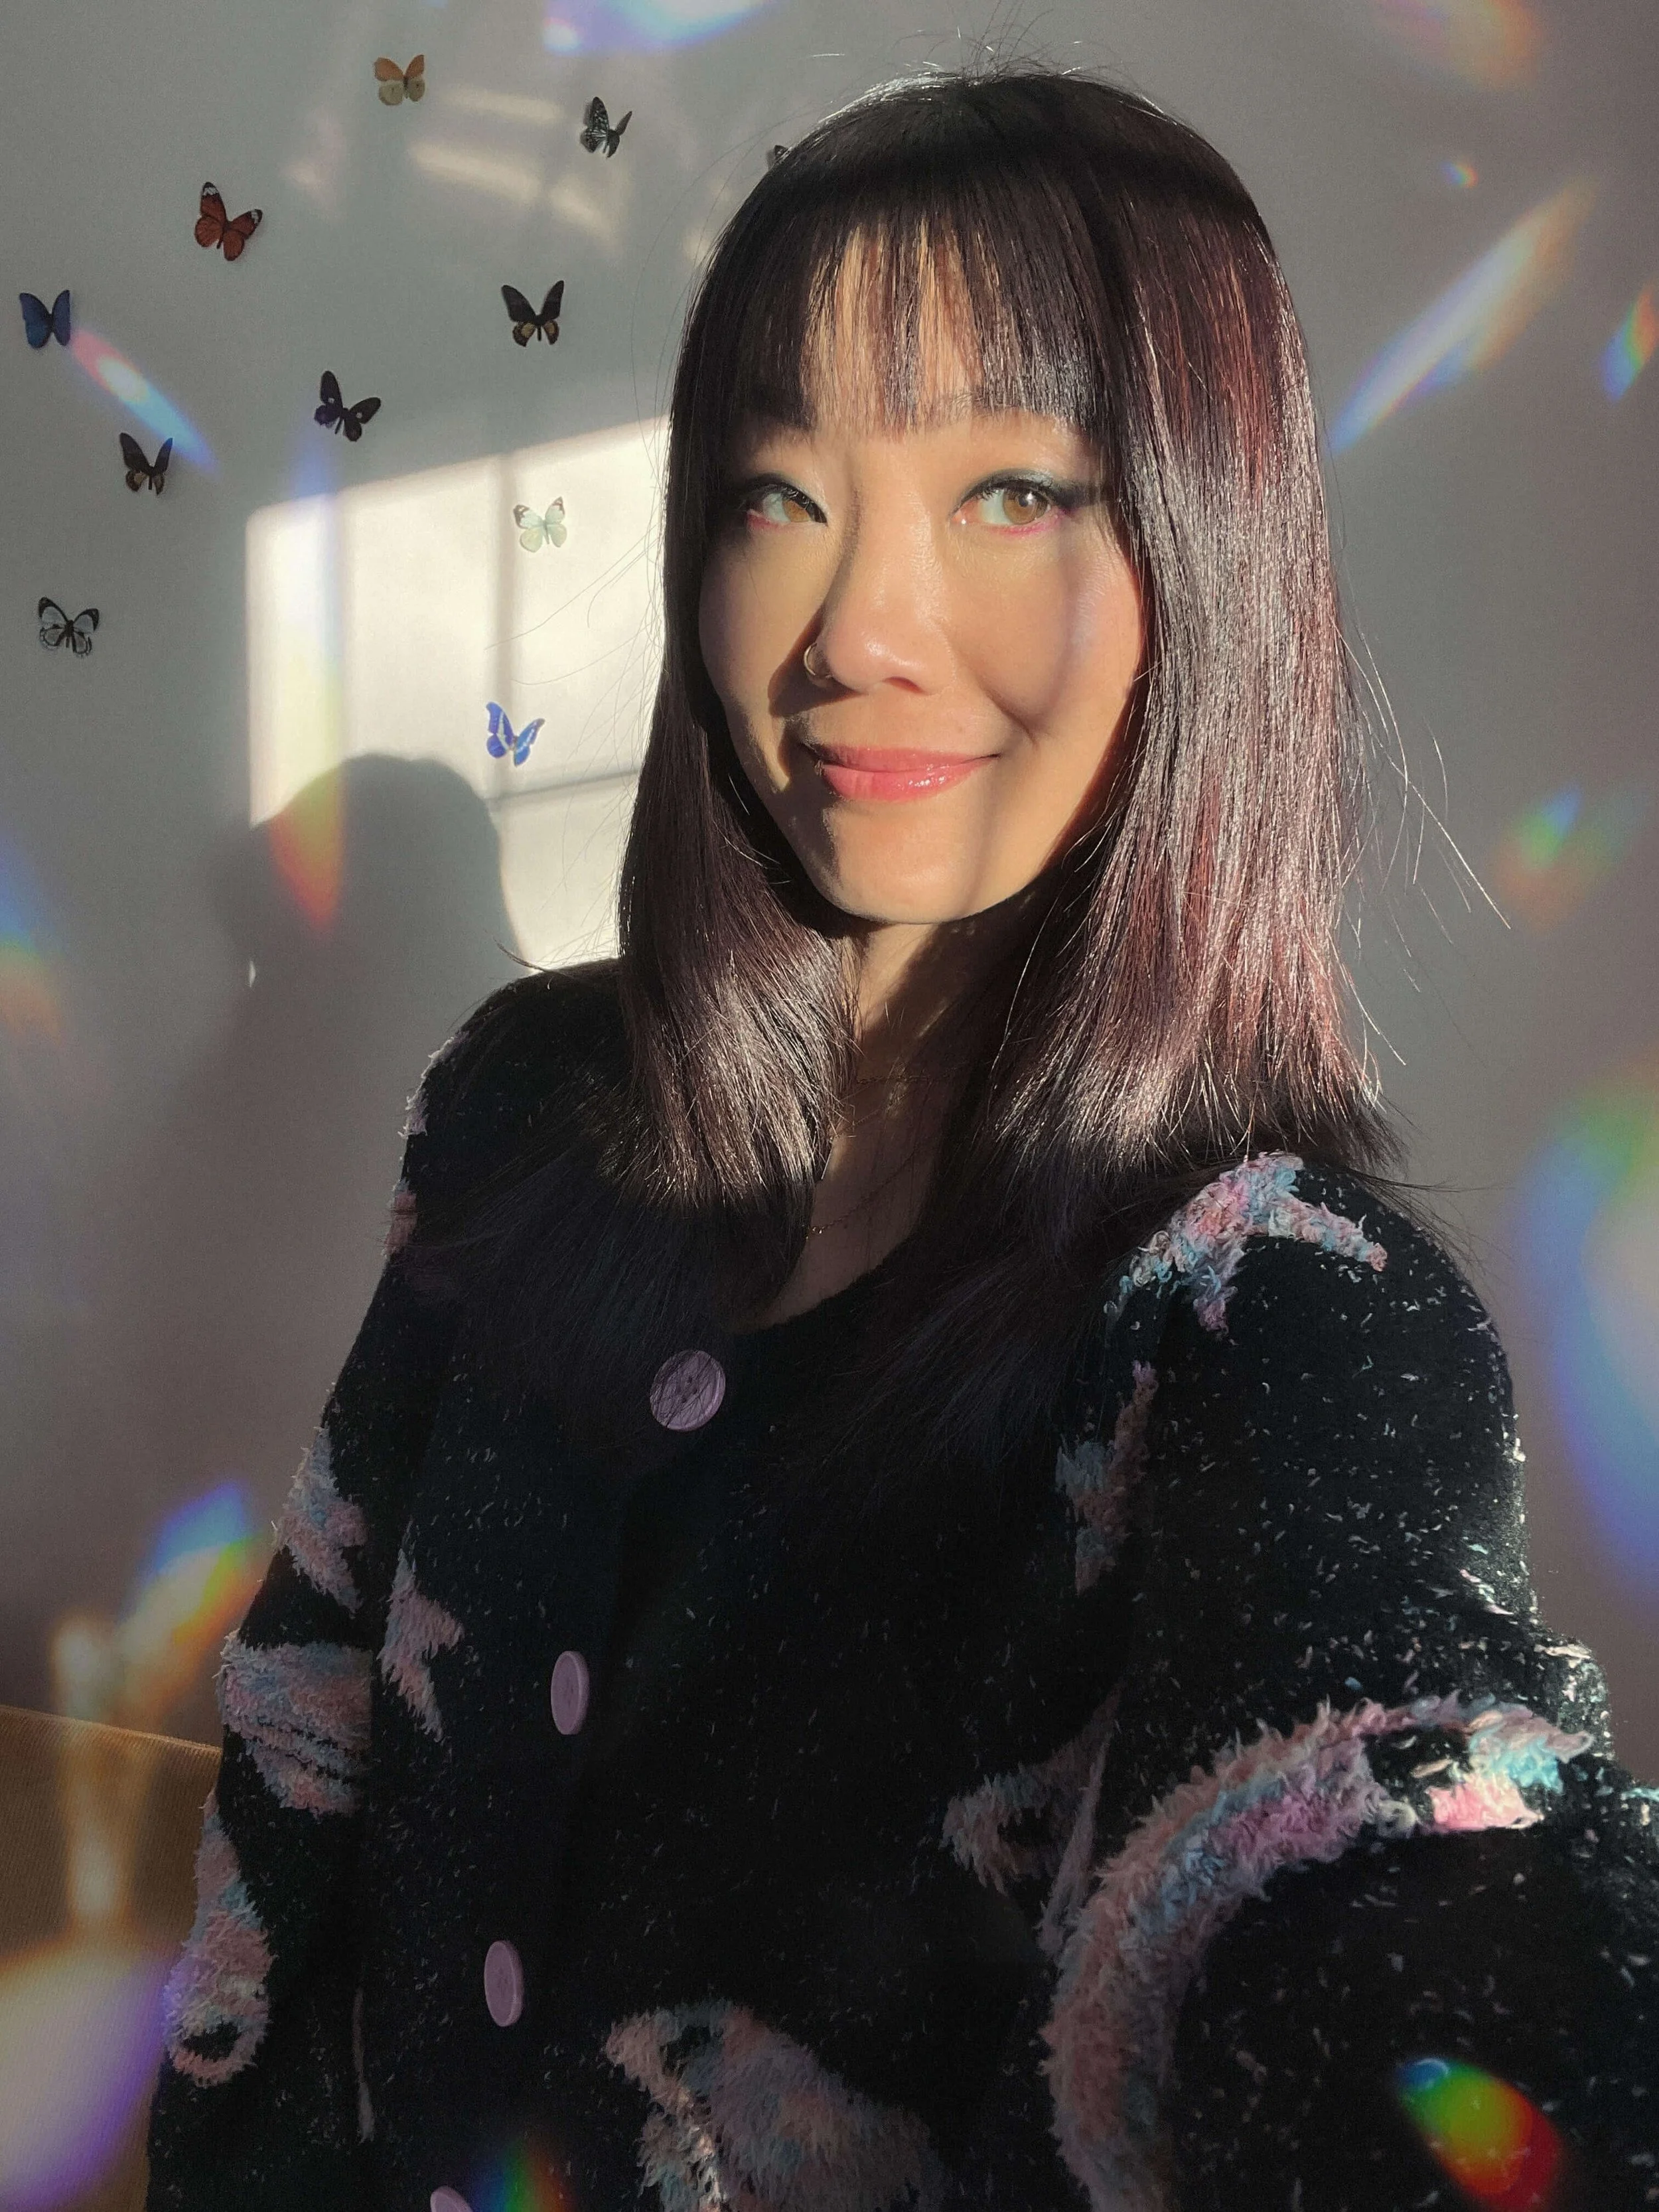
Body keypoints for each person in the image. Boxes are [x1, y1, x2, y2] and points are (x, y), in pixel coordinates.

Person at [145, 67, 1659, 2212]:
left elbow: (1405, 1867)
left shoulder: (1275, 1322)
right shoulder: (520, 1108)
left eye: (1011, 490)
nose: (855, 628)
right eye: (776, 493)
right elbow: (306, 1753)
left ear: (1200, 552)